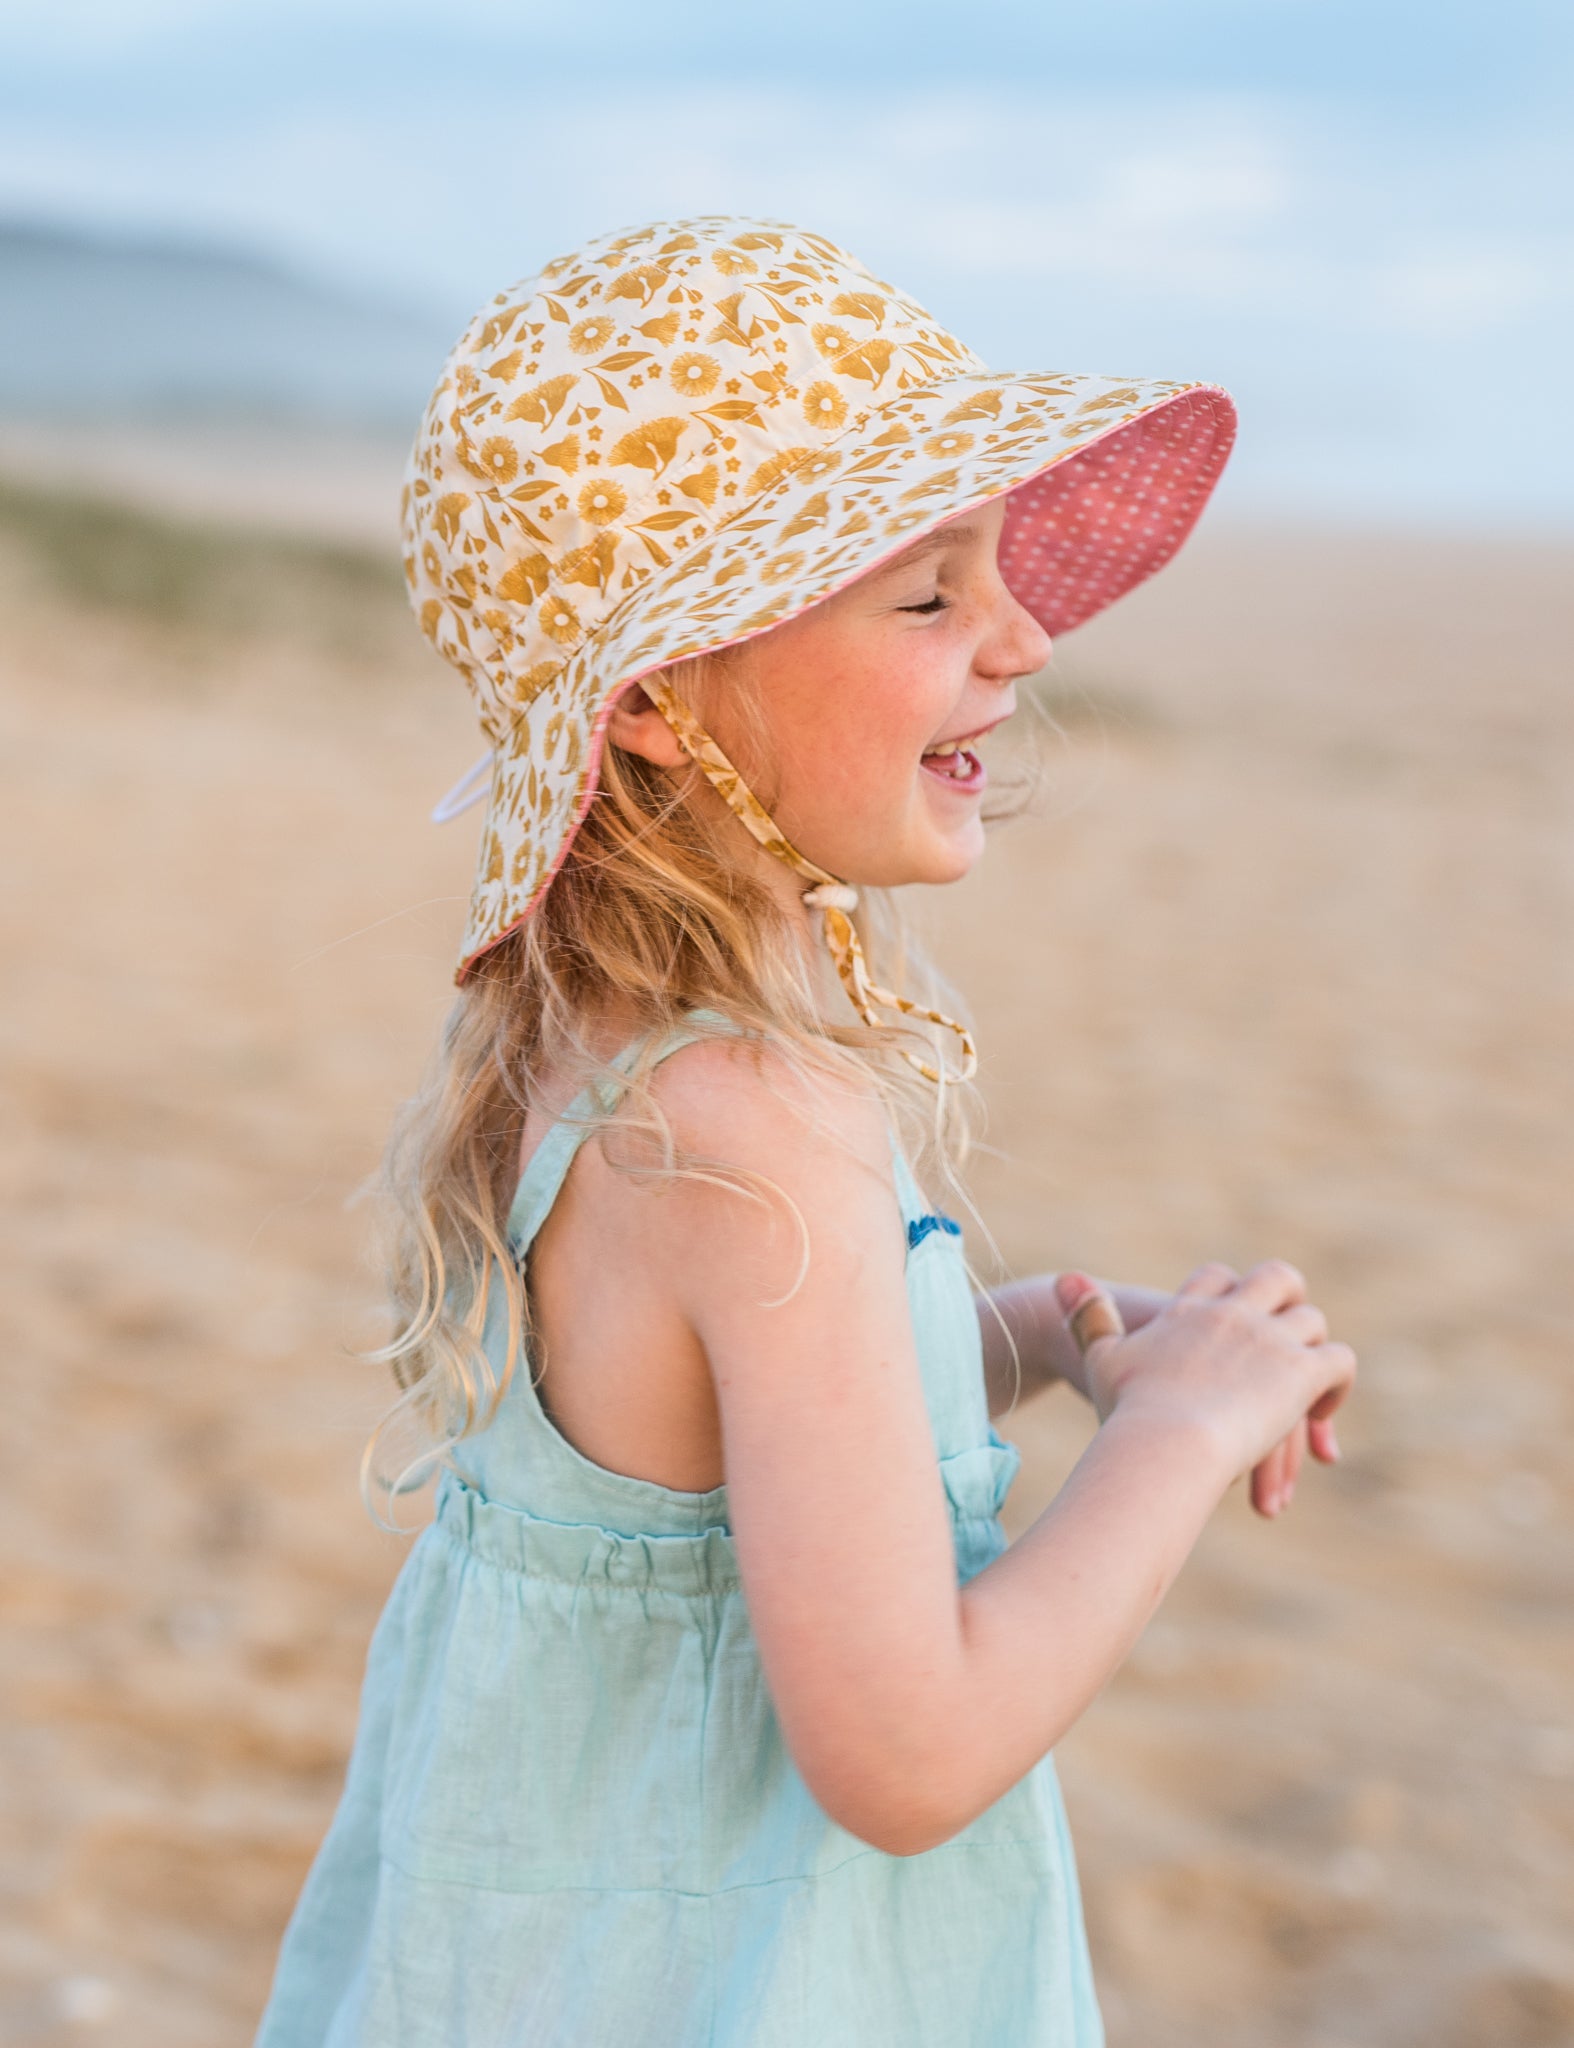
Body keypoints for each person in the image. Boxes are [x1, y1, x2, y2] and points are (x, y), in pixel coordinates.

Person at [256, 214, 1355, 2047]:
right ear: (666, 704)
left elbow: (692, 1460)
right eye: (925, 595)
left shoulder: (604, 1046)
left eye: (995, 571)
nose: (1017, 636)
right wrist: (1178, 1429)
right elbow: (907, 1753)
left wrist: (1025, 1337)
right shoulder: (754, 1122)